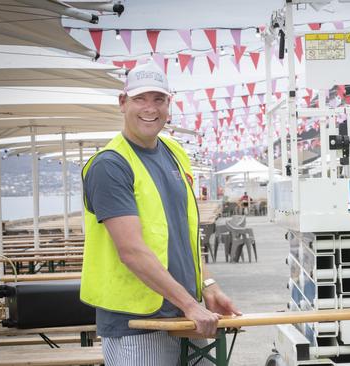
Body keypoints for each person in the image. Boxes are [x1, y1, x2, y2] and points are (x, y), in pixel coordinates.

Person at [80, 62, 240, 366]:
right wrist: (190, 305)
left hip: (184, 314)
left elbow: (186, 234)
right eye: (140, 99)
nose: (150, 108)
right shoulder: (110, 165)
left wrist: (208, 287)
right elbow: (132, 251)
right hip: (136, 323)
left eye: (158, 99)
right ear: (122, 102)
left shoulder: (174, 151)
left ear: (170, 103)